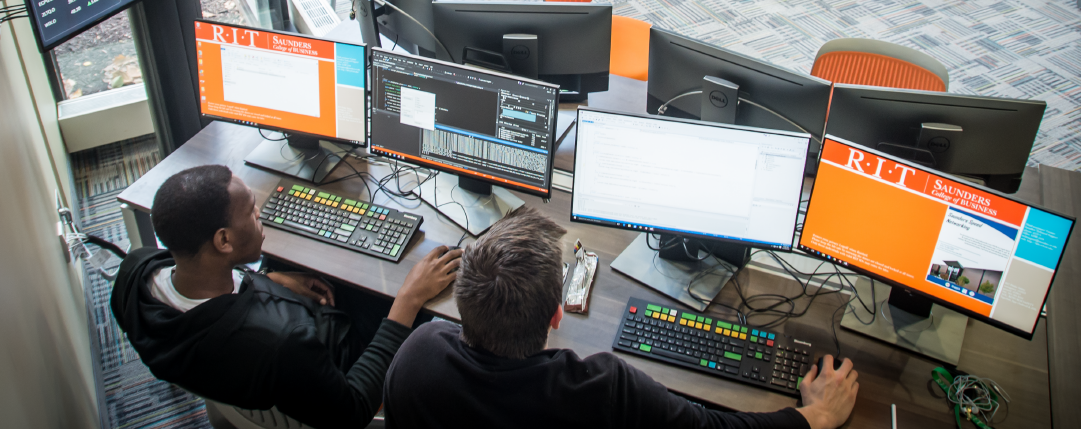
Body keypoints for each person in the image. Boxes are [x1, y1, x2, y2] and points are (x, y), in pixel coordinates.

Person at [384, 206, 858, 429]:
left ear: (462, 305)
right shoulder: (601, 390)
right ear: (555, 314)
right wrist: (815, 414)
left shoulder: (415, 360)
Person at [111, 164, 461, 428]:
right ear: (223, 241)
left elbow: (217, 304)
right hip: (332, 361)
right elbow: (350, 411)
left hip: (256, 362)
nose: (259, 212)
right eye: (250, 209)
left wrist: (264, 278)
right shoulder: (283, 343)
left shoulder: (134, 272)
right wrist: (408, 302)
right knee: (422, 294)